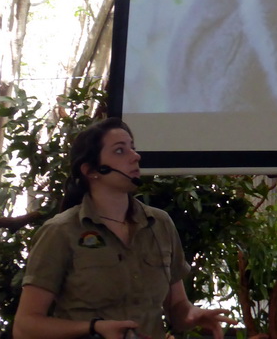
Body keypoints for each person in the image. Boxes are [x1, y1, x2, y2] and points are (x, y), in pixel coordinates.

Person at [13, 118, 234, 339]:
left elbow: (178, 307)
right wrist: (94, 328)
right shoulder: (61, 232)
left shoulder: (160, 223)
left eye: (133, 148)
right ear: (91, 170)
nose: (135, 156)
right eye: (120, 151)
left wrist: (193, 316)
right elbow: (25, 327)